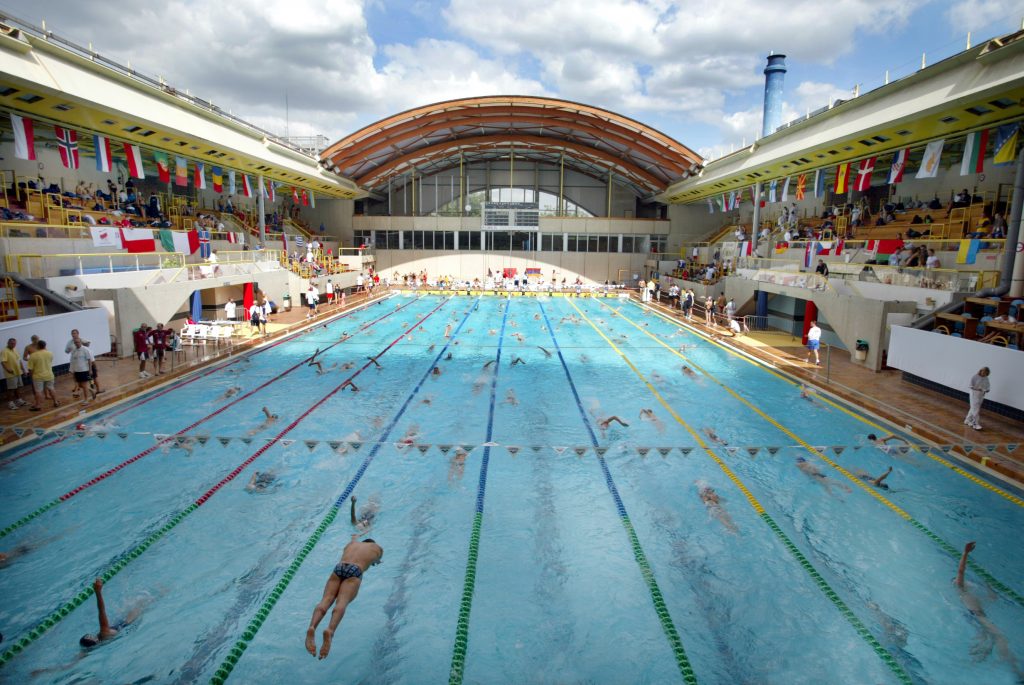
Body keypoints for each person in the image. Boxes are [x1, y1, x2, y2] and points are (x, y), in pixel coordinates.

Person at [305, 534, 384, 660]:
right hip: (355, 571)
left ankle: (312, 626)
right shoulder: (377, 548)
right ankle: (330, 630)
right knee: (342, 603)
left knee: (326, 600)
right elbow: (377, 560)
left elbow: (353, 539)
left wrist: (355, 537)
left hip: (340, 567)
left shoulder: (352, 545)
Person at [79, 578, 144, 648]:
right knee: (144, 602)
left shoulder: (97, 643)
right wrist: (98, 592)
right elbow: (101, 611)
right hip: (127, 622)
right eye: (91, 636)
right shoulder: (104, 633)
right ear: (95, 640)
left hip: (119, 627)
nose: (92, 635)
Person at [27, 340, 58, 411]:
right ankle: (55, 401)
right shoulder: (50, 353)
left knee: (38, 391)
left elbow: (30, 368)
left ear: (37, 346)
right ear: (45, 346)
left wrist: (31, 376)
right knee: (51, 388)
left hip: (38, 376)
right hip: (49, 374)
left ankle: (38, 405)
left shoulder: (33, 355)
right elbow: (50, 362)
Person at [69, 339, 98, 404]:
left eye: (78, 342)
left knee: (84, 385)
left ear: (81, 342)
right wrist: (71, 370)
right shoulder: (74, 351)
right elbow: (72, 361)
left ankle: (86, 400)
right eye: (76, 342)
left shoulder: (85, 350)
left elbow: (89, 360)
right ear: (74, 343)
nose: (77, 343)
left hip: (84, 370)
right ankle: (92, 390)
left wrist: (90, 370)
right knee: (80, 385)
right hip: (77, 371)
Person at [3, 337, 27, 410]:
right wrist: (8, 369)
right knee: (11, 389)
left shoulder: (15, 350)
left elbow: (19, 361)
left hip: (18, 372)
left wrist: (23, 370)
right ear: (8, 343)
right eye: (12, 343)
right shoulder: (4, 351)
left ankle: (19, 400)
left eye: (14, 343)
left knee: (18, 387)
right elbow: (3, 362)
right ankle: (10, 403)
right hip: (11, 374)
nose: (13, 345)